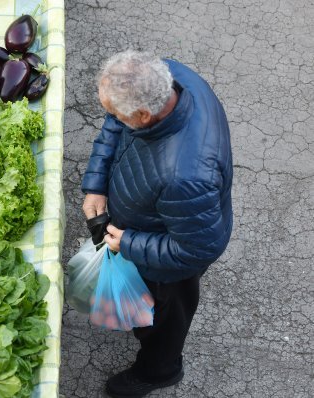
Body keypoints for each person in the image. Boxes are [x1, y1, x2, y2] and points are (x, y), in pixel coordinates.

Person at [81, 50, 233, 397]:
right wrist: (96, 183)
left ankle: (158, 371)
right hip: (158, 218)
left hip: (171, 260)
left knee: (166, 321)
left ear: (144, 116)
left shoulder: (187, 177)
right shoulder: (166, 75)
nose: (111, 117)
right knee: (150, 308)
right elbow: (115, 124)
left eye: (116, 112)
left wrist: (130, 243)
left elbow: (197, 249)